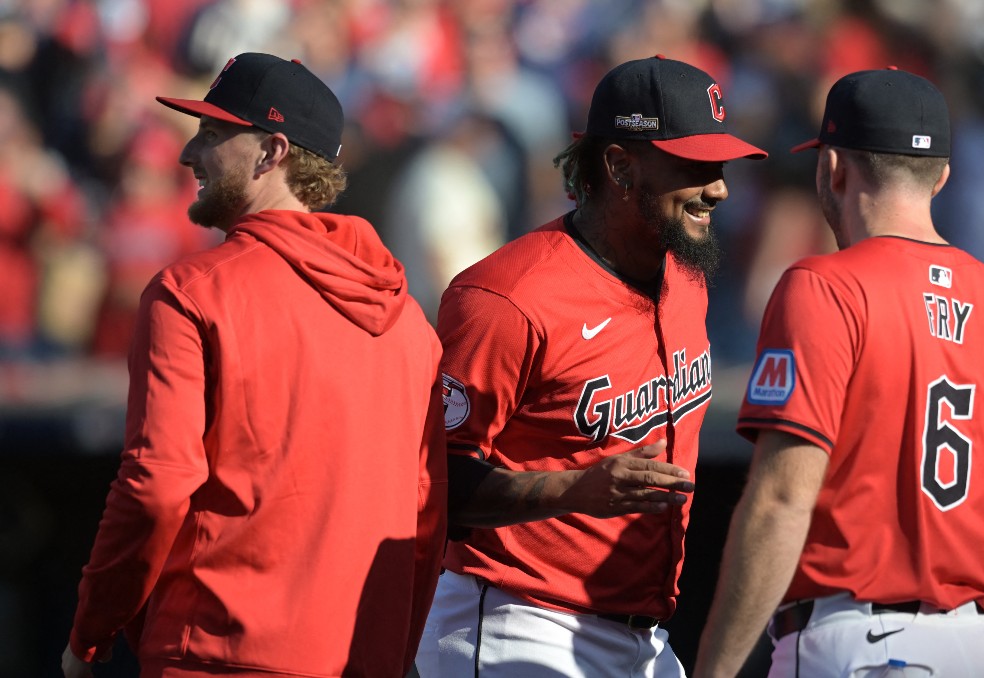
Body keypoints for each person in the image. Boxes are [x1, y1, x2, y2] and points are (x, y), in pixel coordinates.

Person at [692, 68, 984, 677]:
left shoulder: (825, 287)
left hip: (855, 645)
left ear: (832, 168)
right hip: (978, 651)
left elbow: (782, 500)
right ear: (941, 176)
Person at [62, 53, 446, 678]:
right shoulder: (409, 322)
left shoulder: (191, 292)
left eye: (212, 136)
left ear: (272, 153)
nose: (187, 154)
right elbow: (426, 518)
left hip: (219, 656)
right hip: (362, 659)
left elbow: (157, 486)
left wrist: (90, 631)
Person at [414, 55, 766, 678]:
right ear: (620, 166)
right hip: (516, 621)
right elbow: (434, 485)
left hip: (645, 635)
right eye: (693, 164)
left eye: (719, 165)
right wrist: (573, 489)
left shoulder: (686, 275)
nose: (719, 188)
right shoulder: (507, 298)